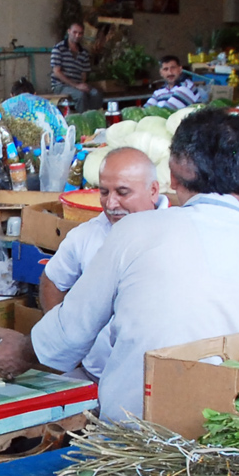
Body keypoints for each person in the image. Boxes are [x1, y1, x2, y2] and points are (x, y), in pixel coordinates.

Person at [0, 109, 239, 422]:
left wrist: (23, 350)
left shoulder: (134, 233)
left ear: (171, 175)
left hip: (140, 441)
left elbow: (69, 333)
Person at [39, 147, 169, 379]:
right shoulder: (86, 236)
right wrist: (65, 341)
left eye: (122, 192)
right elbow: (53, 280)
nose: (111, 203)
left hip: (157, 379)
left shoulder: (176, 231)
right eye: (104, 192)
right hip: (94, 374)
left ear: (153, 190)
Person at [49, 22, 102, 113]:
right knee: (80, 95)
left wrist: (82, 84)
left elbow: (84, 73)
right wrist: (77, 86)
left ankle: (93, 118)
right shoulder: (58, 48)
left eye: (80, 33)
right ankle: (82, 121)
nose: (77, 35)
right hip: (60, 85)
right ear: (69, 31)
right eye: (75, 32)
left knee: (96, 94)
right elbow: (57, 72)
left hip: (77, 85)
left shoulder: (84, 52)